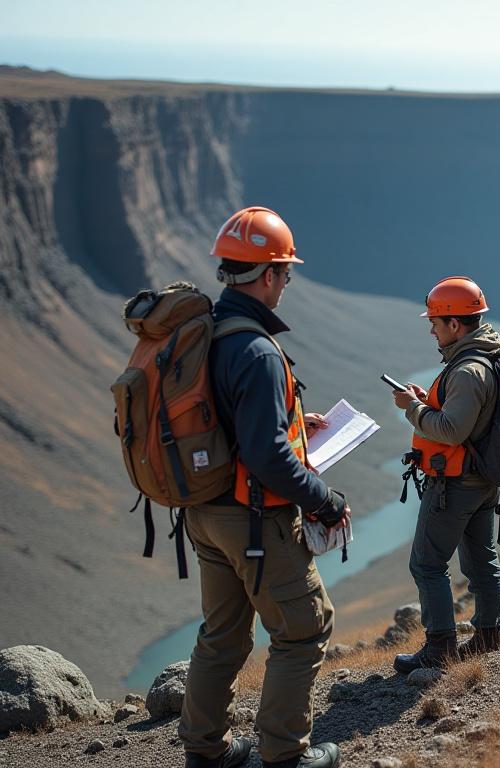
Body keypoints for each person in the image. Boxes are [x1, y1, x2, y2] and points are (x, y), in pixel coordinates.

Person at [179, 206, 348, 768]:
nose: (286, 284)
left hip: (203, 512)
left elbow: (233, 423)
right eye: (286, 273)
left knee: (222, 635)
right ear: (270, 274)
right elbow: (266, 455)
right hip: (253, 521)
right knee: (304, 629)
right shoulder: (256, 350)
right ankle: (283, 758)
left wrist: (300, 421)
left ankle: (205, 752)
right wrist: (325, 502)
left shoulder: (206, 333)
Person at [391, 276, 500, 673]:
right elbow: (463, 418)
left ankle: (440, 648)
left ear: (455, 325)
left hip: (456, 484)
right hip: (483, 480)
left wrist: (412, 409)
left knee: (426, 563)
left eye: (436, 323)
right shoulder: (486, 357)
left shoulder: (466, 371)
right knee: (481, 559)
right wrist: (427, 400)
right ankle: (489, 636)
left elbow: (451, 431)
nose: (431, 330)